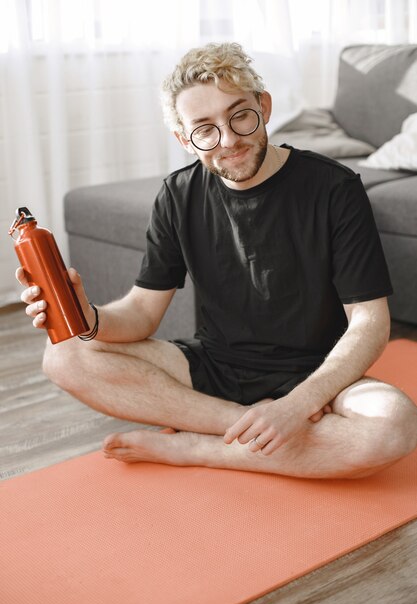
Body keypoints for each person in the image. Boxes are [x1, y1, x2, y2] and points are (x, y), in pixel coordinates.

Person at [17, 42, 417, 479]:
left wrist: (298, 404)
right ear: (184, 140)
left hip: (319, 375)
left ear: (263, 106)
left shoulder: (335, 188)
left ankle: (201, 448)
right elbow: (141, 312)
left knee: (393, 427)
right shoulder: (177, 194)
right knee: (62, 356)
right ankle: (238, 425)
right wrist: (85, 315)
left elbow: (369, 322)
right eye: (204, 129)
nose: (228, 140)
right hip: (213, 365)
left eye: (239, 115)